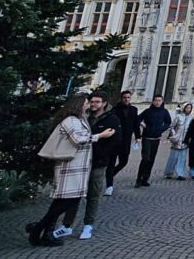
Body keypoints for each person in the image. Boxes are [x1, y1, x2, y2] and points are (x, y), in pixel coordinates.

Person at [25, 93, 115, 247]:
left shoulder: (81, 119)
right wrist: (100, 135)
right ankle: (39, 227)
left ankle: (45, 232)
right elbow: (79, 139)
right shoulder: (71, 120)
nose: (89, 105)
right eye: (87, 103)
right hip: (70, 166)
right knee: (68, 200)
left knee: (60, 201)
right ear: (79, 104)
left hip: (79, 167)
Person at [55, 91, 122, 240]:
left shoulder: (112, 119)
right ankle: (67, 225)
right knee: (74, 194)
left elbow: (116, 140)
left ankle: (88, 225)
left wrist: (102, 155)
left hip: (97, 163)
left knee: (93, 195)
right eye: (91, 102)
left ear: (104, 103)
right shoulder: (83, 117)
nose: (93, 104)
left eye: (97, 102)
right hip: (79, 162)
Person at [135, 94, 172, 187]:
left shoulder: (164, 112)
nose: (158, 102)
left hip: (156, 138)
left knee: (151, 159)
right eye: (156, 100)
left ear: (162, 101)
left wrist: (162, 129)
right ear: (153, 101)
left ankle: (145, 179)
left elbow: (168, 122)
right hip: (147, 137)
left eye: (159, 100)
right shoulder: (148, 111)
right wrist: (142, 124)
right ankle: (139, 179)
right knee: (145, 158)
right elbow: (138, 118)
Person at [108, 90, 138, 195]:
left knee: (124, 161)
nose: (126, 99)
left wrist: (138, 136)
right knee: (111, 162)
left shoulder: (134, 109)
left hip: (126, 139)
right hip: (115, 139)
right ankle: (109, 185)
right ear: (121, 98)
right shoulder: (115, 109)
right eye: (125, 97)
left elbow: (136, 123)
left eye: (128, 97)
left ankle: (110, 175)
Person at [163, 103, 193, 180]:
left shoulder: (191, 118)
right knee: (173, 157)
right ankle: (169, 172)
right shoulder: (178, 116)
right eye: (187, 108)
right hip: (177, 140)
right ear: (184, 108)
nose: (188, 109)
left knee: (182, 158)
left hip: (185, 140)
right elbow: (172, 126)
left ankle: (180, 174)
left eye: (190, 108)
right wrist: (174, 135)